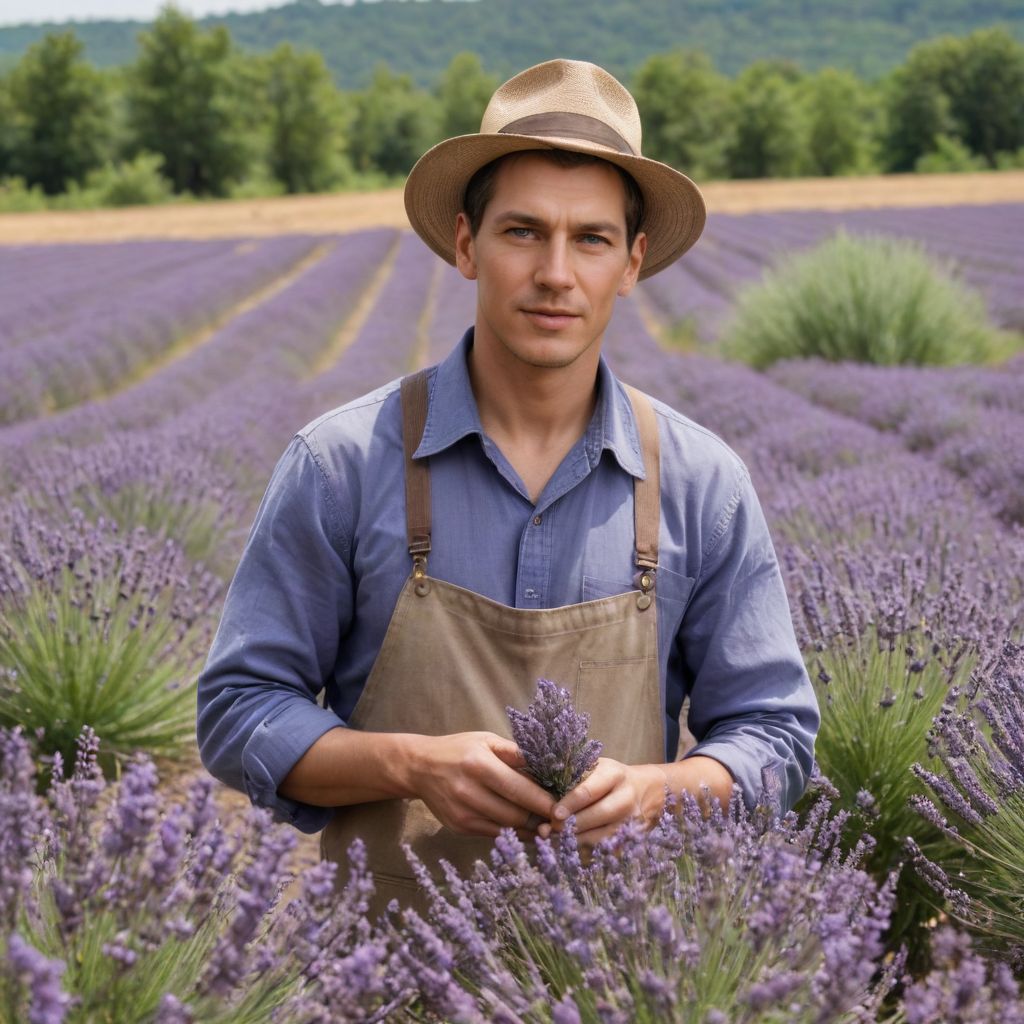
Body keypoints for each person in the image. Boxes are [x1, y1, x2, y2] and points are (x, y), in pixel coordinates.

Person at [197, 58, 819, 915]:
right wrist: (408, 764)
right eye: (523, 231)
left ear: (632, 262)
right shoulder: (341, 464)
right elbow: (238, 711)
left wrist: (655, 792)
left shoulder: (701, 483)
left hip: (621, 974)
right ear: (465, 243)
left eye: (591, 239)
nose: (556, 272)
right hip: (379, 976)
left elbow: (777, 735)